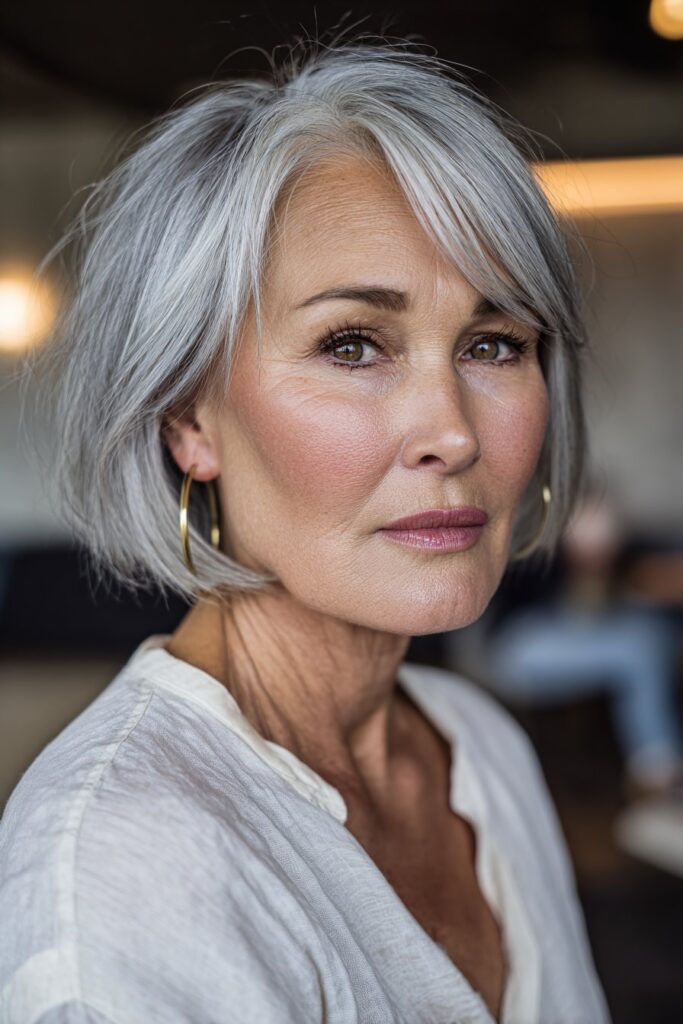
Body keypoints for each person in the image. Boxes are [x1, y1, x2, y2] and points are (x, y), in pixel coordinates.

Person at [1, 36, 612, 1024]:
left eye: (493, 342)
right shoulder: (125, 865)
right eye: (353, 344)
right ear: (188, 416)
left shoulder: (484, 752)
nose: (452, 432)